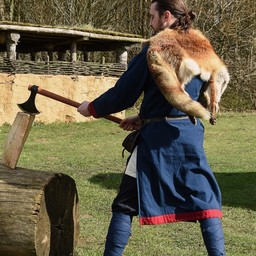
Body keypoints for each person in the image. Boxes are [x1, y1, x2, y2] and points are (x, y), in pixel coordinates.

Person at [77, 0, 226, 255]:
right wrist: (145, 116)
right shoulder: (201, 48)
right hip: (188, 136)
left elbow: (123, 93)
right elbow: (195, 95)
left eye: (151, 16)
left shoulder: (155, 49)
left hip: (157, 141)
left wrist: (92, 108)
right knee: (206, 201)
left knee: (125, 204)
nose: (149, 22)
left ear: (166, 16)